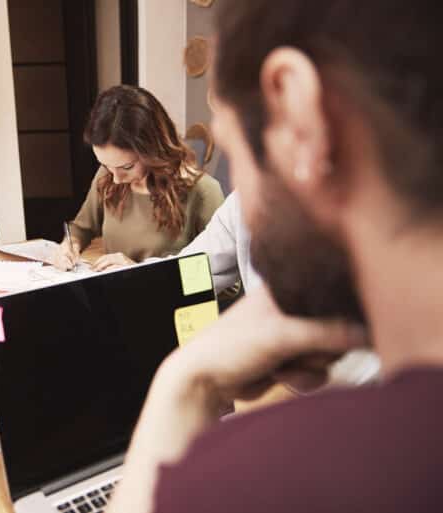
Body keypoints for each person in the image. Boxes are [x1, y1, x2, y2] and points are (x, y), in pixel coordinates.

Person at [108, 1, 443, 512]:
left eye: (232, 146)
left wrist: (183, 385)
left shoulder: (266, 479)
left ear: (296, 114)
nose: (237, 184)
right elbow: (192, 269)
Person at [52, 85, 224, 271]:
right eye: (106, 165)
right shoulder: (108, 177)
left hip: (166, 300)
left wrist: (141, 275)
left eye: (127, 167)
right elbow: (82, 228)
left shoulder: (202, 192)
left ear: (152, 149)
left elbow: (228, 283)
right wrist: (70, 246)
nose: (116, 179)